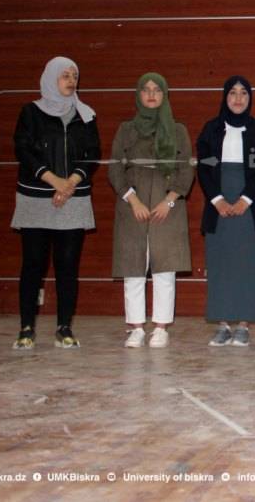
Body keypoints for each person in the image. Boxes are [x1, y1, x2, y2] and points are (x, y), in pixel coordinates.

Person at [11, 56, 101, 349]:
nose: (71, 80)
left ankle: (64, 327)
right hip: (36, 197)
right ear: (51, 78)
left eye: (74, 75)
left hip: (73, 197)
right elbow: (23, 150)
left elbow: (92, 154)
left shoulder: (85, 115)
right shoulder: (30, 112)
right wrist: (53, 180)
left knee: (67, 266)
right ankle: (26, 328)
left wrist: (70, 182)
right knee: (33, 264)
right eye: (65, 75)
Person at [109, 73, 195, 349]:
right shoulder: (126, 129)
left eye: (157, 90)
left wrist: (169, 200)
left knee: (164, 269)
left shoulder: (178, 130)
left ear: (164, 95)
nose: (151, 94)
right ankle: (135, 328)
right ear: (138, 94)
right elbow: (115, 168)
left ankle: (160, 327)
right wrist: (132, 200)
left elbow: (186, 169)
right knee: (133, 268)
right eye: (145, 90)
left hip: (166, 206)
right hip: (132, 205)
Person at [196, 76, 255, 347]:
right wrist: (217, 200)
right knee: (220, 264)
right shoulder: (211, 129)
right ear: (225, 97)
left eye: (243, 93)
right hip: (218, 204)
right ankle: (223, 325)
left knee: (246, 265)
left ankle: (243, 325)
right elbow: (204, 167)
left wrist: (245, 199)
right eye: (233, 93)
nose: (238, 99)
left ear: (250, 98)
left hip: (249, 205)